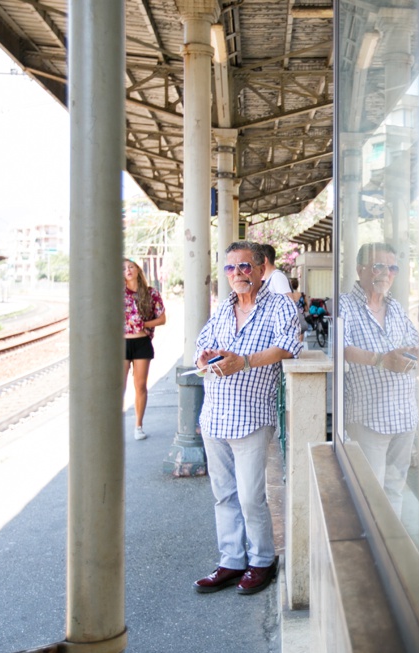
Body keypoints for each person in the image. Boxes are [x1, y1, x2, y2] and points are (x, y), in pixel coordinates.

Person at [192, 241, 301, 595]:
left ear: (259, 268)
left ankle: (262, 561)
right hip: (215, 415)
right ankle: (231, 561)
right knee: (223, 495)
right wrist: (204, 357)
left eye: (244, 267)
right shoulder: (222, 309)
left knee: (251, 496)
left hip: (252, 415)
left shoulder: (279, 306)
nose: (237, 274)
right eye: (230, 268)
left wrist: (246, 360)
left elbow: (290, 345)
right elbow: (201, 346)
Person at [340, 242, 419, 516]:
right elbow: (341, 348)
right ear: (360, 269)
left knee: (395, 487)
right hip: (368, 416)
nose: (386, 273)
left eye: (392, 267)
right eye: (379, 266)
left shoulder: (396, 307)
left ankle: (390, 549)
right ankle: (373, 554)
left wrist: (417, 352)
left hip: (404, 414)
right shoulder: (344, 306)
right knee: (371, 491)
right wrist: (381, 359)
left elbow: (414, 343)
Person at [123, 259, 166, 440]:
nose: (128, 270)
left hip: (141, 343)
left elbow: (162, 319)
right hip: (121, 343)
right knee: (119, 386)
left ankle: (138, 426)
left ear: (138, 270)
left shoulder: (150, 293)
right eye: (123, 269)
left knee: (140, 386)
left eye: (131, 266)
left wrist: (144, 324)